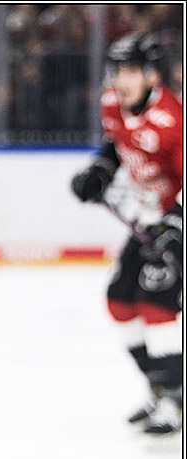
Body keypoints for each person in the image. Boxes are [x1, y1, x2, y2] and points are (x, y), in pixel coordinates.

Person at [70, 34, 182, 435]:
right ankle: (161, 387)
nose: (122, 79)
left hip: (176, 224)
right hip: (147, 223)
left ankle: (175, 399)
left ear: (152, 75)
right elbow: (117, 146)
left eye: (132, 71)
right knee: (119, 302)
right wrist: (99, 171)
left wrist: (176, 224)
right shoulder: (113, 105)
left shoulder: (173, 120)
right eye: (119, 70)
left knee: (157, 308)